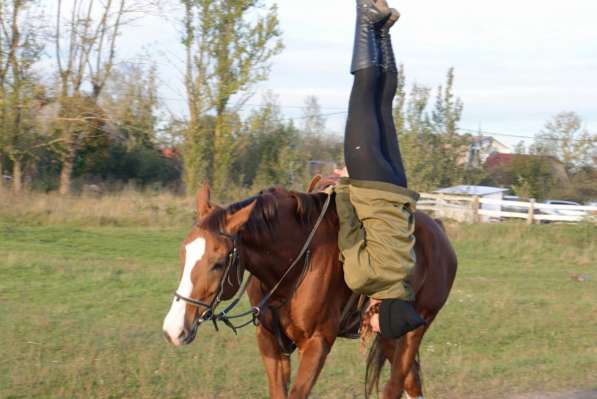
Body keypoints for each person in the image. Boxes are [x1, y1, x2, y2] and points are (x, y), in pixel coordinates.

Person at [335, 0, 426, 339]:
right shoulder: (364, 280)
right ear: (380, 314)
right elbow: (349, 231)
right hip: (371, 182)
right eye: (374, 328)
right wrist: (343, 186)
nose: (368, 329)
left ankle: (383, 30)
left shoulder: (405, 274)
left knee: (384, 106)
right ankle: (365, 15)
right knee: (363, 96)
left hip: (398, 184)